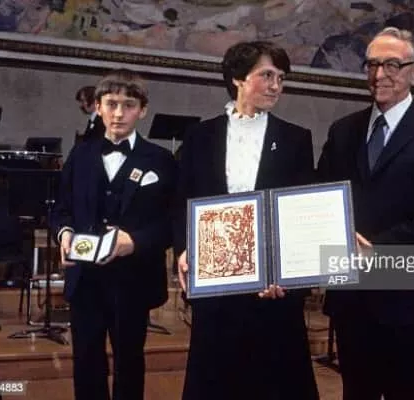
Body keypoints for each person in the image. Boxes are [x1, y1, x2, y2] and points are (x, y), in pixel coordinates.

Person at [317, 27, 414, 400]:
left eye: (391, 65)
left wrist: (377, 248)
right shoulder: (343, 131)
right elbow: (321, 199)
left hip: (411, 299)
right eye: (371, 64)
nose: (378, 75)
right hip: (353, 299)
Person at [175, 41, 319, 400]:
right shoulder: (200, 136)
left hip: (273, 289)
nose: (276, 86)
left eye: (281, 78)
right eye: (266, 75)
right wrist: (184, 250)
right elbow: (181, 201)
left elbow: (301, 213)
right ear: (238, 78)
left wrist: (288, 277)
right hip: (216, 285)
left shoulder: (296, 139)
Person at [52, 69, 177, 400]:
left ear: (143, 110)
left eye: (129, 105)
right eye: (111, 104)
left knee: (129, 362)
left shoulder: (161, 160)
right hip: (85, 279)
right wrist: (64, 233)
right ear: (98, 107)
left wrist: (134, 242)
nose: (119, 113)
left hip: (134, 280)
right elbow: (61, 209)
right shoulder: (80, 154)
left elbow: (172, 222)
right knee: (86, 361)